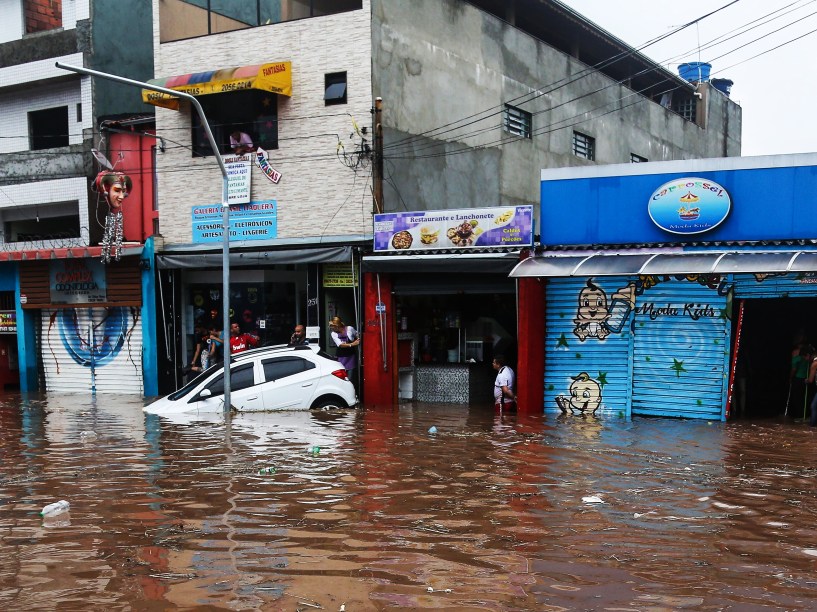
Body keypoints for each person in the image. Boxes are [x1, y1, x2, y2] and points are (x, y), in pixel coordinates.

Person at [329, 316, 360, 380]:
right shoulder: (333, 333)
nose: (331, 328)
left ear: (337, 326)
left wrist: (358, 339)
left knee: (350, 378)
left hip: (351, 357)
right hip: (341, 357)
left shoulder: (349, 329)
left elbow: (357, 334)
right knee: (342, 378)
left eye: (332, 326)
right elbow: (340, 345)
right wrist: (352, 344)